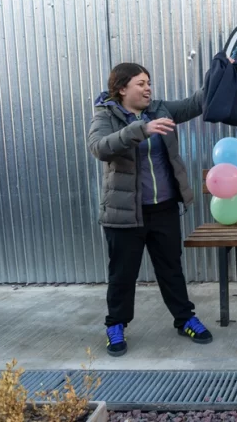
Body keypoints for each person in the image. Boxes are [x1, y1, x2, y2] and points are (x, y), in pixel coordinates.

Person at [87, 62, 221, 356]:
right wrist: (141, 130)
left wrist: (219, 71)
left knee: (171, 268)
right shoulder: (106, 115)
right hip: (124, 213)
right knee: (122, 274)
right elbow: (99, 147)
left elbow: (196, 102)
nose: (148, 88)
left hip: (164, 209)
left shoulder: (161, 109)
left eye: (149, 82)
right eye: (140, 83)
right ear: (122, 89)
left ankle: (184, 318)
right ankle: (116, 325)